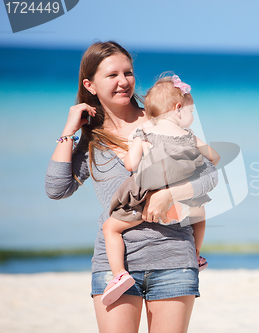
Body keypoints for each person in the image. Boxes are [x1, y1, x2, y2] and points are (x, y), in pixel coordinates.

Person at [45, 41, 218, 333]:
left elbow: (209, 176)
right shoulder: (92, 140)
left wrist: (168, 195)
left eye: (128, 72)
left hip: (173, 257)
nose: (123, 82)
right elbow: (57, 188)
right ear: (90, 85)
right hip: (115, 268)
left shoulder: (162, 119)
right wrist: (68, 131)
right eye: (112, 75)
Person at [101, 74, 220, 306]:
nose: (193, 117)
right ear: (178, 109)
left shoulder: (144, 131)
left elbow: (130, 165)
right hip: (183, 206)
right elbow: (214, 157)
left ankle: (118, 274)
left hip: (145, 204)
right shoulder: (189, 136)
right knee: (201, 213)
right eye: (191, 111)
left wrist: (141, 148)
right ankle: (195, 254)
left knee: (111, 229)